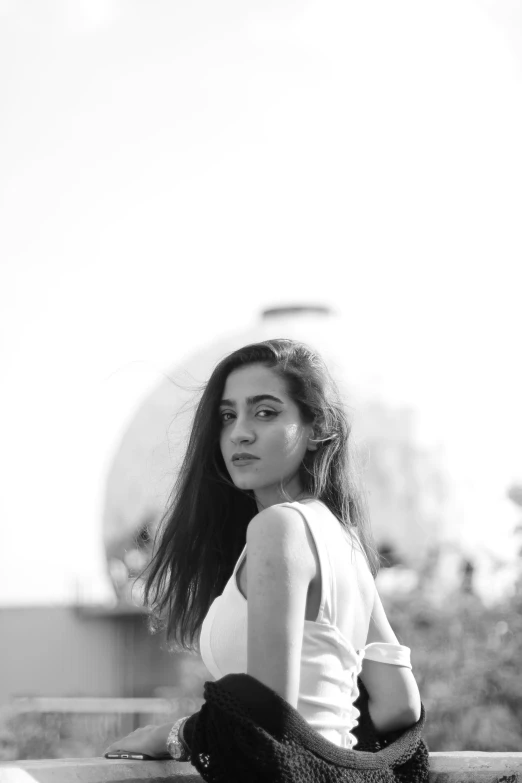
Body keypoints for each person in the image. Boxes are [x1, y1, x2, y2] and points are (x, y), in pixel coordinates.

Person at [104, 339, 425, 776]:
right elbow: (398, 704)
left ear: (315, 429)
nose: (240, 432)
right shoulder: (342, 539)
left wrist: (174, 736)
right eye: (228, 415)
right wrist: (330, 741)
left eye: (266, 411)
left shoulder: (280, 528)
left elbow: (267, 707)